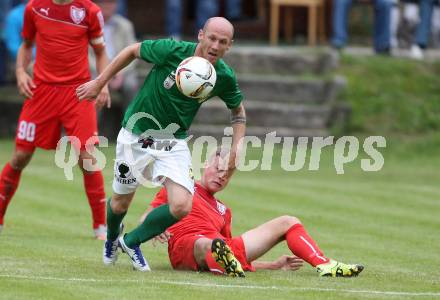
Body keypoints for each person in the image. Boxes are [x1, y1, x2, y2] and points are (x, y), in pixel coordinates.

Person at [76, 17, 246, 271]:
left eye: (223, 42)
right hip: (136, 134)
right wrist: (100, 83)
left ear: (229, 46)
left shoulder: (223, 75)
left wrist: (237, 146)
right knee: (120, 203)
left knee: (181, 206)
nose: (215, 45)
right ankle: (112, 237)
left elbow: (238, 112)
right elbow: (132, 50)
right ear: (201, 35)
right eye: (211, 38)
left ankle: (131, 241)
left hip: (173, 141)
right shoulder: (173, 50)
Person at [140, 148, 364, 277]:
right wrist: (152, 228)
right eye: (218, 169)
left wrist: (274, 265)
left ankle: (325, 265)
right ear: (206, 165)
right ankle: (218, 265)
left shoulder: (223, 211)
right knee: (206, 245)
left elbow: (231, 255)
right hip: (186, 246)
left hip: (216, 249)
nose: (221, 176)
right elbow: (146, 216)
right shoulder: (182, 188)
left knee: (287, 221)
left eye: (227, 174)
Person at [0, 0, 111, 239]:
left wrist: (102, 83)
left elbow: (101, 53)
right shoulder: (34, 8)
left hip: (78, 93)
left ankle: (101, 227)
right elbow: (26, 45)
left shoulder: (90, 11)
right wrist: (20, 70)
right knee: (20, 156)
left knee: (87, 158)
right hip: (42, 91)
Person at [91, 0, 138, 111]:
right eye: (104, 2)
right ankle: (93, 126)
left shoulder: (125, 25)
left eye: (111, 2)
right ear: (97, 5)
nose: (108, 6)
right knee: (91, 87)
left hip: (121, 67)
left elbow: (135, 52)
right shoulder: (91, 23)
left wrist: (119, 72)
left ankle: (130, 125)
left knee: (131, 85)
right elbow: (87, 56)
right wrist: (104, 75)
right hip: (96, 70)